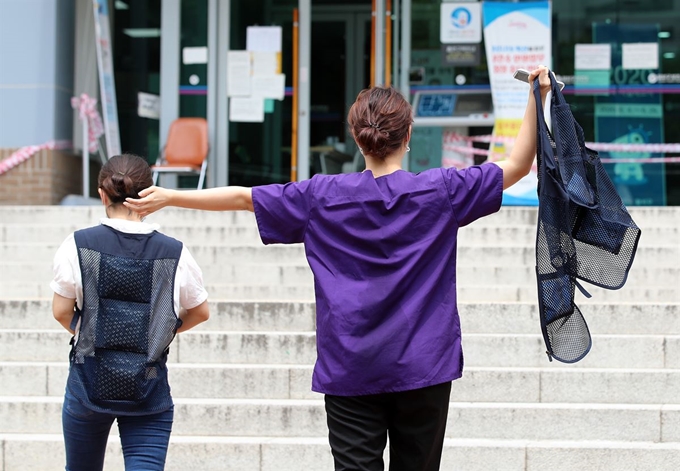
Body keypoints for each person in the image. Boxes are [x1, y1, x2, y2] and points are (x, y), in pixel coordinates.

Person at [124, 67, 552, 471]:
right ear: (407, 136)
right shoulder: (440, 191)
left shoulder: (321, 197)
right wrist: (538, 97)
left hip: (350, 366)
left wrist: (171, 197)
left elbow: (243, 197)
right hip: (424, 365)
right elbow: (515, 167)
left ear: (356, 137)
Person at [51, 153, 210, 471]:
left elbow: (60, 311)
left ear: (102, 193)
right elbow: (200, 311)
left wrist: (94, 331)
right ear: (148, 194)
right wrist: (157, 331)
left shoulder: (77, 244)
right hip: (148, 384)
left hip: (88, 381)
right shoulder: (174, 251)